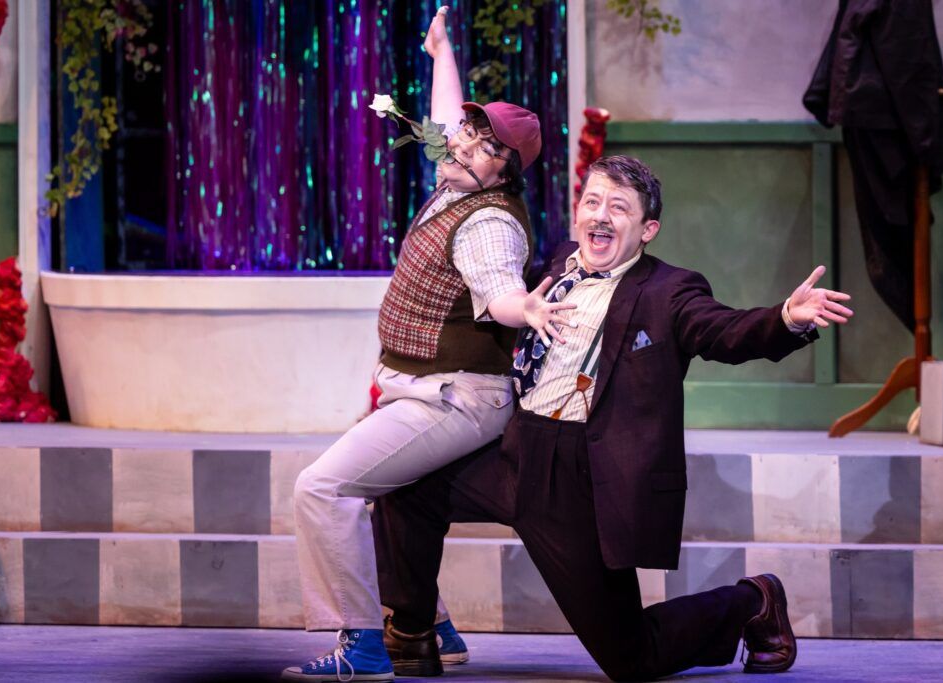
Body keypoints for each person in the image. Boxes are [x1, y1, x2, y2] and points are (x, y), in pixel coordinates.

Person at [371, 154, 854, 681]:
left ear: (648, 229)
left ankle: (751, 602)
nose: (600, 216)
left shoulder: (670, 291)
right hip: (513, 450)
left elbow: (726, 331)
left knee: (631, 659)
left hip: (577, 475)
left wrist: (786, 319)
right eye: (592, 202)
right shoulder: (553, 267)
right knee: (405, 485)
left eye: (618, 208)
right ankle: (413, 631)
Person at [281, 7, 571, 682]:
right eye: (466, 138)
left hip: (457, 397)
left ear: (504, 170)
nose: (462, 148)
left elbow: (496, 282)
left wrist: (521, 306)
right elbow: (443, 120)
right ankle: (432, 622)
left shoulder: (489, 223)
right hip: (418, 387)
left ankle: (364, 641)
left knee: (321, 489)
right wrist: (442, 52)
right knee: (385, 492)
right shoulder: (457, 174)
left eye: (480, 147)